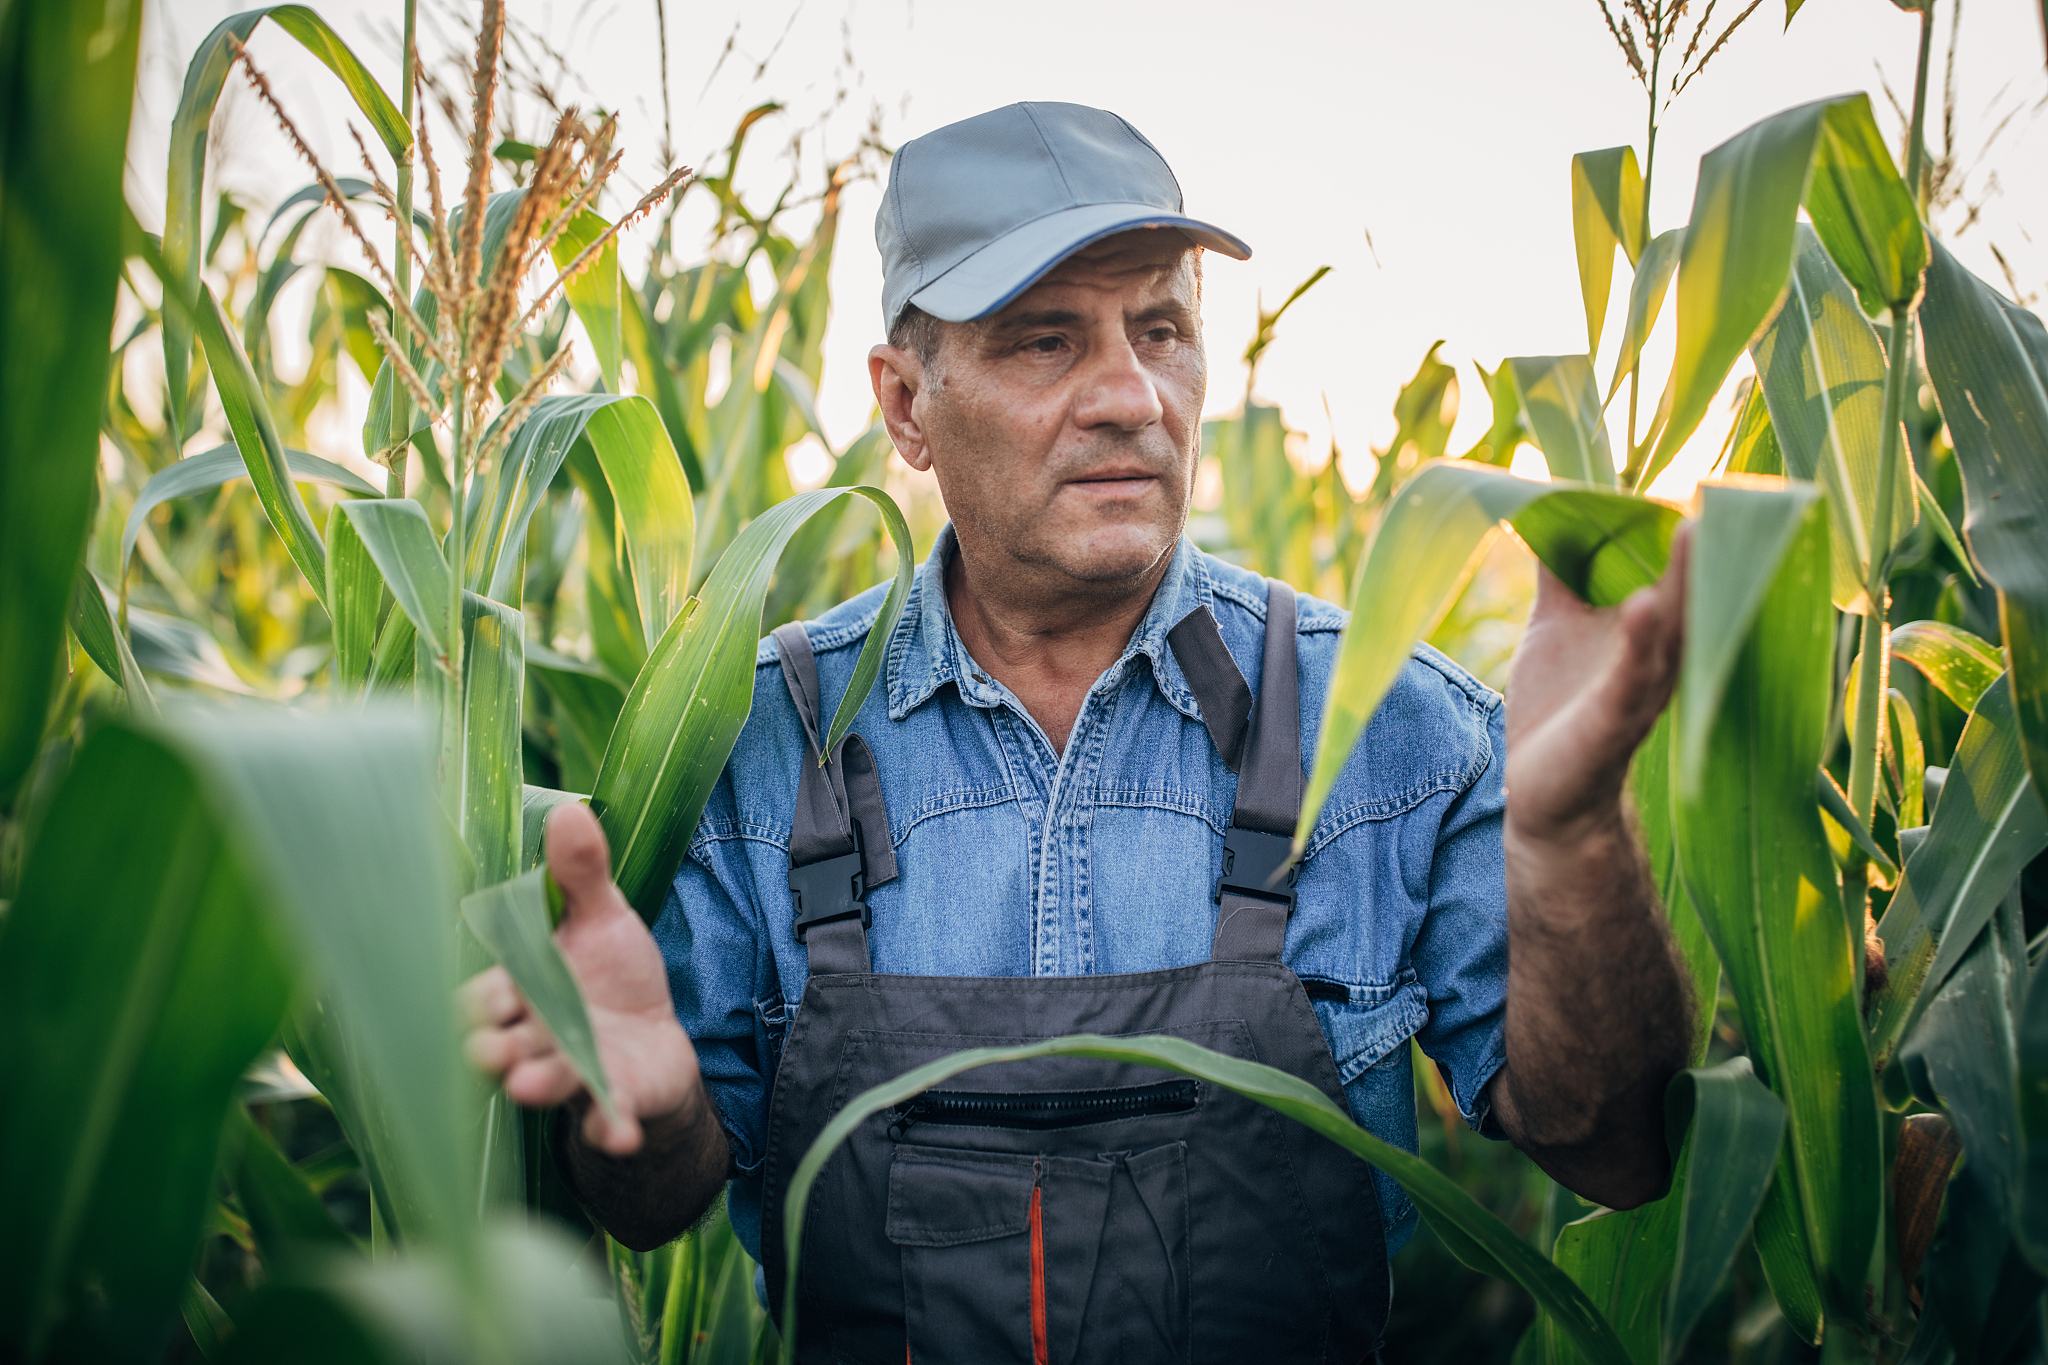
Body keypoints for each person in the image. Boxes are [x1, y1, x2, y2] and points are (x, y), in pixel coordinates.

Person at [463, 101, 1694, 1362]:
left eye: (1159, 328)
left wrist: (1575, 834)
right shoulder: (761, 742)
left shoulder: (1391, 728)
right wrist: (654, 1112)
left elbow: (1619, 1145)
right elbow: (652, 1198)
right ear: (904, 404)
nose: (1128, 396)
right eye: (1045, 341)